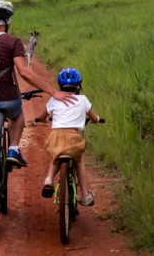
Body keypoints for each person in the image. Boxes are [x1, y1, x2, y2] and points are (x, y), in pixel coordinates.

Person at [0, 0, 77, 207]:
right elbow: (24, 71)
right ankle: (13, 149)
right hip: (7, 99)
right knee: (17, 116)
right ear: (8, 20)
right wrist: (53, 91)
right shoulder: (13, 42)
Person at [37, 67, 101, 207]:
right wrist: (97, 119)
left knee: (56, 156)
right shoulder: (83, 100)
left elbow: (43, 117)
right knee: (78, 160)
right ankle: (84, 195)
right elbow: (93, 117)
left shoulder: (55, 99)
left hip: (56, 136)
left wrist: (42, 120)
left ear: (60, 86)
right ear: (79, 86)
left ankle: (48, 179)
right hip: (73, 137)